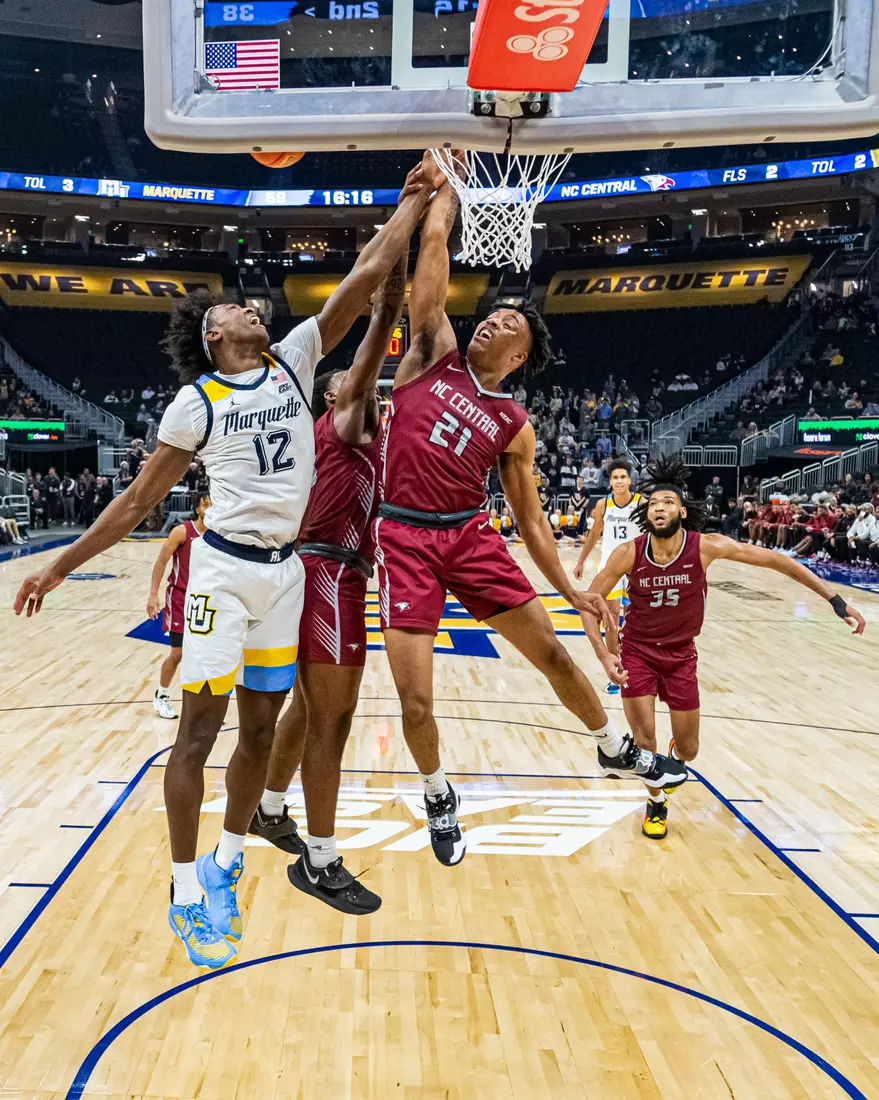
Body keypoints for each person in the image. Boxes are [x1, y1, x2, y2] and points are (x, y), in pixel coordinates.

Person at [13, 154, 442, 969]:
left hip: (285, 576)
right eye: (238, 308)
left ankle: (229, 860)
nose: (254, 307)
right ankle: (182, 891)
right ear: (218, 336)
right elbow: (138, 503)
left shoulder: (293, 358)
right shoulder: (196, 403)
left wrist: (414, 199)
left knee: (258, 728)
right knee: (199, 733)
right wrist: (60, 565)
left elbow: (366, 272)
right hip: (221, 572)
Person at [372, 173, 687, 868]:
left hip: (468, 534)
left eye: (508, 324)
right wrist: (444, 193)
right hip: (402, 536)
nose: (491, 320)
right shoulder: (430, 356)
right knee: (416, 699)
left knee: (551, 651)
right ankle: (436, 793)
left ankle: (613, 747)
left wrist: (568, 588)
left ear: (518, 357)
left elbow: (533, 521)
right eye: (491, 316)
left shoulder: (514, 423)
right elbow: (431, 258)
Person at [581, 456, 865, 840]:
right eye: (652, 504)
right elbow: (589, 602)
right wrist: (604, 653)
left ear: (681, 509)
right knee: (644, 745)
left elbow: (778, 561)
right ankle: (657, 803)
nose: (659, 507)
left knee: (689, 750)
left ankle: (675, 757)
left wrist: (835, 600)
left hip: (681, 655)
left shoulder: (706, 547)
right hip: (638, 651)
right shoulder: (628, 553)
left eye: (667, 502)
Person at [255, 253, 410, 915]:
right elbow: (368, 367)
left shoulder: (364, 434)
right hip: (325, 573)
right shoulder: (343, 421)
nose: (363, 385)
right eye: (348, 380)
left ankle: (267, 809)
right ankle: (319, 861)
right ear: (330, 395)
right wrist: (386, 307)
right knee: (335, 721)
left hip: (313, 569)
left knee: (305, 710)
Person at [572, 460, 641, 695]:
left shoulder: (641, 503)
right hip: (609, 568)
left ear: (630, 480)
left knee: (640, 620)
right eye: (615, 478)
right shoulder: (603, 504)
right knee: (611, 619)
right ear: (610, 481)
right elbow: (593, 535)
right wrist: (581, 561)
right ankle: (616, 672)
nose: (619, 481)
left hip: (636, 567)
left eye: (623, 477)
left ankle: (642, 668)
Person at [147, 492, 212, 720]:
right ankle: (162, 695)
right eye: (206, 504)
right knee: (178, 653)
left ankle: (200, 706)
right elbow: (161, 562)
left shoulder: (218, 535)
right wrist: (153, 595)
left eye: (213, 504)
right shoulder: (182, 532)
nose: (210, 508)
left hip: (206, 600)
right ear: (197, 509)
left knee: (205, 654)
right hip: (180, 598)